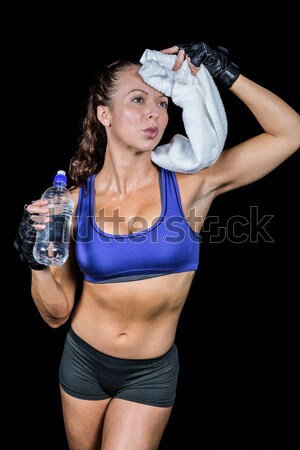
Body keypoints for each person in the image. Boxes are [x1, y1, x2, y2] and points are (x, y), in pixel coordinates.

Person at [14, 41, 300, 450]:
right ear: (104, 115)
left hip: (150, 372)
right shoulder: (72, 204)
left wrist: (228, 76)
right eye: (139, 99)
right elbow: (56, 316)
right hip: (82, 362)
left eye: (164, 103)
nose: (155, 112)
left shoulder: (190, 189)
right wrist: (36, 261)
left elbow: (290, 133)